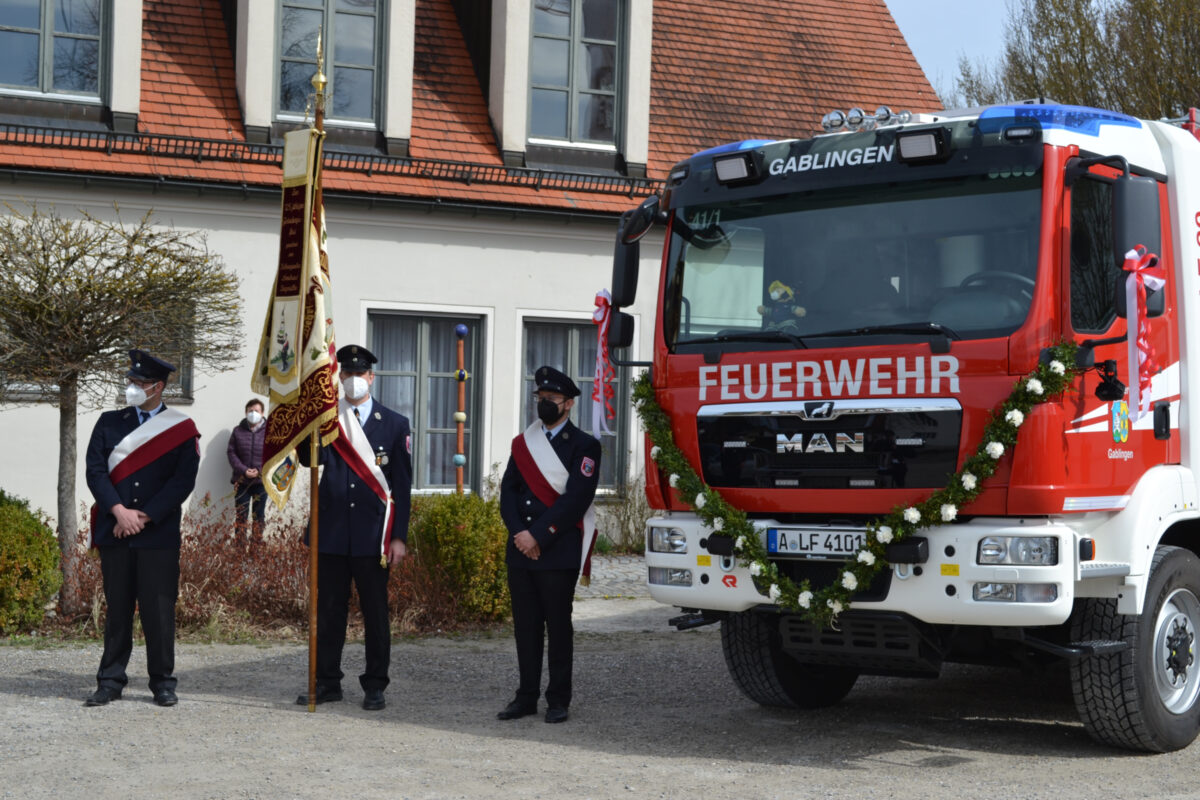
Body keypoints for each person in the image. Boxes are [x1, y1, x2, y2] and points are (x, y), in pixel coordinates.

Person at [296, 344, 412, 711]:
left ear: (371, 378)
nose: (353, 380)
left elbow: (402, 486)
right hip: (331, 532)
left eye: (360, 374)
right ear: (339, 377)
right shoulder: (329, 420)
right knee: (329, 611)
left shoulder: (394, 424)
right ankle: (327, 681)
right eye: (346, 374)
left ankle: (375, 684)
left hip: (373, 536)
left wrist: (399, 536)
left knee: (375, 614)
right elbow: (305, 460)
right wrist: (304, 420)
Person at [83, 349, 200, 708]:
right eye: (130, 381)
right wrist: (119, 512)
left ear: (159, 387)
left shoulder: (181, 429)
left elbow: (182, 482)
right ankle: (110, 680)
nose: (132, 387)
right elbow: (96, 471)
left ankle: (163, 682)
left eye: (140, 382)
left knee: (158, 611)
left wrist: (142, 517)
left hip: (157, 535)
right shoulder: (109, 422)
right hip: (115, 529)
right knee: (117, 609)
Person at [497, 366, 601, 724]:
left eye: (551, 400)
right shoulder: (524, 443)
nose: (544, 404)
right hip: (521, 550)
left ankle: (558, 698)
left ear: (568, 404)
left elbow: (576, 498)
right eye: (540, 399)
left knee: (557, 627)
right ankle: (525, 696)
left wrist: (538, 535)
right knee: (525, 628)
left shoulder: (585, 445)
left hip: (557, 551)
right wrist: (519, 535)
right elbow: (508, 492)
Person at [227, 397, 267, 540]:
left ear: (262, 413)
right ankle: (239, 550)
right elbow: (231, 453)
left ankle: (256, 549)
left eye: (256, 411)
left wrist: (259, 471)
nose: (253, 413)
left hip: (261, 483)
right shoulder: (238, 431)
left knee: (259, 517)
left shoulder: (269, 431)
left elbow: (273, 455)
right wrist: (244, 470)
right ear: (245, 412)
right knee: (241, 517)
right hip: (242, 481)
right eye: (250, 411)